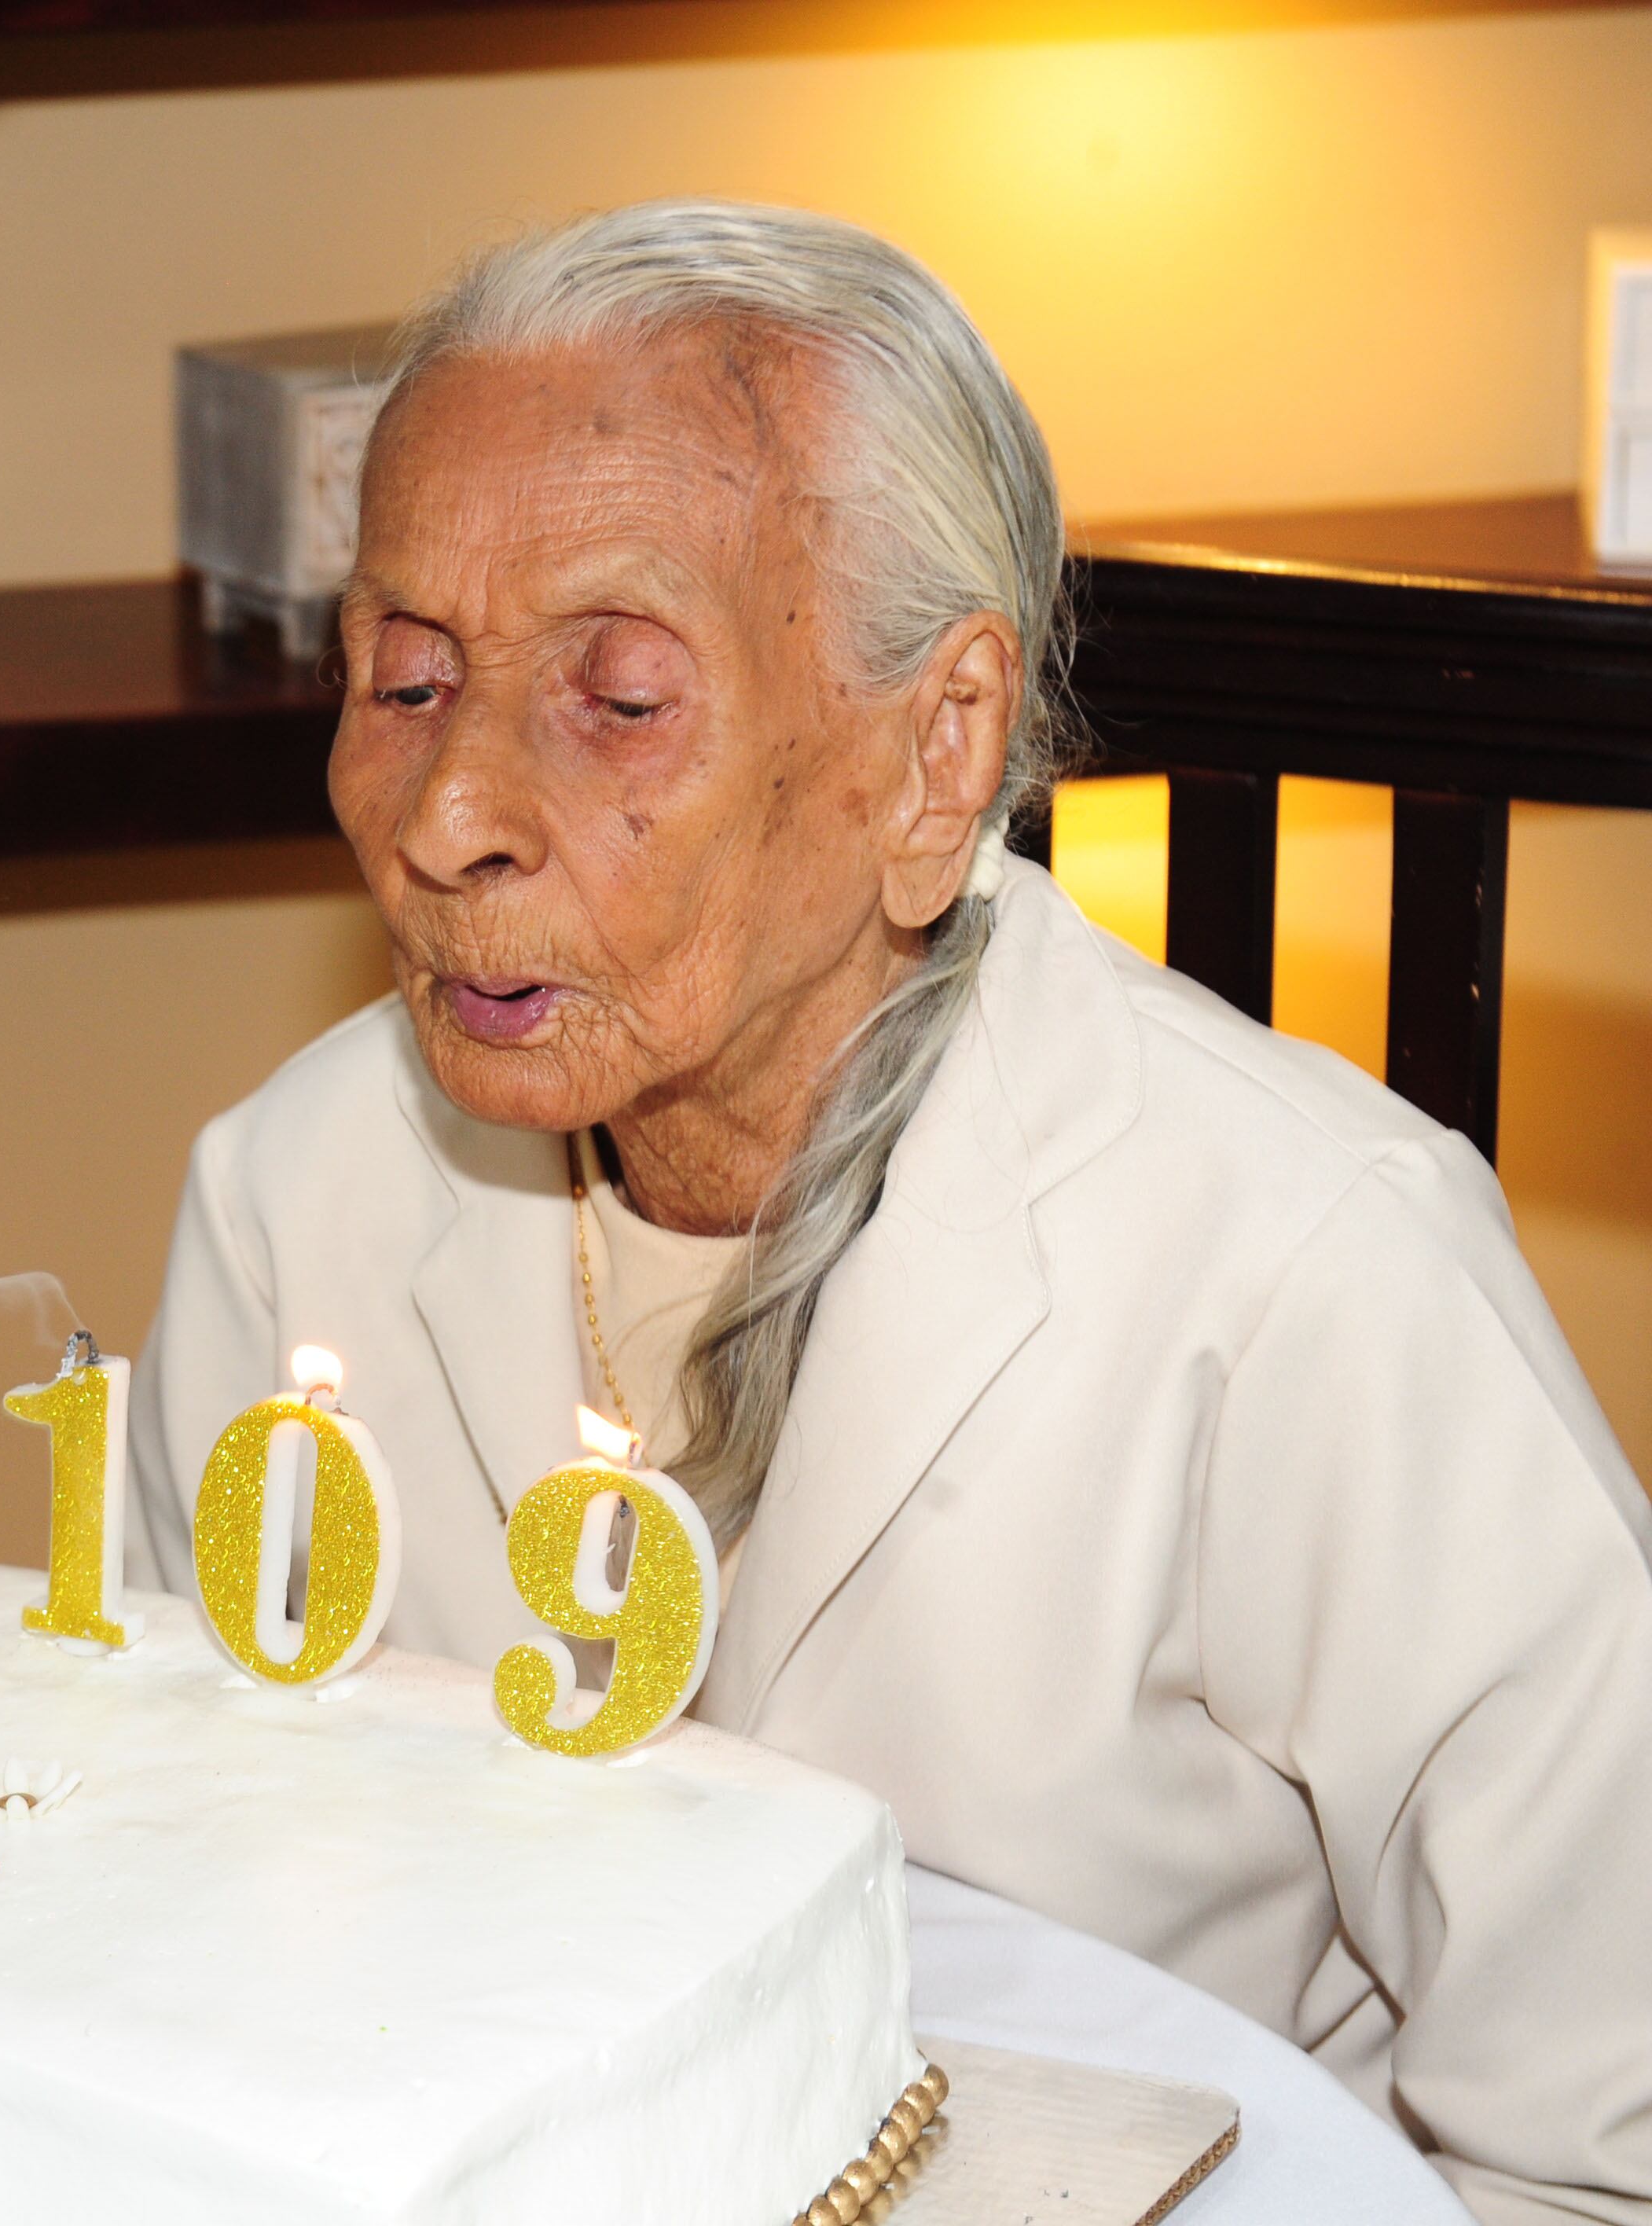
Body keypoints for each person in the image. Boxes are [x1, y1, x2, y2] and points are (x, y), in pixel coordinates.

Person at [127, 200, 1652, 2226]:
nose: (446, 816)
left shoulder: (1318, 1281)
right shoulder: (287, 1205)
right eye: (407, 678)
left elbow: (1601, 2153)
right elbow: (182, 1973)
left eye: (618, 699)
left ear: (939, 753)